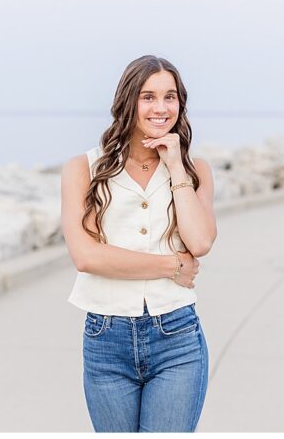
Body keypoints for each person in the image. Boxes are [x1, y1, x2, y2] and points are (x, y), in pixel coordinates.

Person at [60, 55, 217, 432]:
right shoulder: (84, 169)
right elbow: (86, 256)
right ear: (128, 100)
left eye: (170, 97)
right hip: (106, 340)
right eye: (148, 97)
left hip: (177, 339)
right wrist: (172, 265)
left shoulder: (195, 170)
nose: (160, 108)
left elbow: (199, 241)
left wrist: (175, 166)